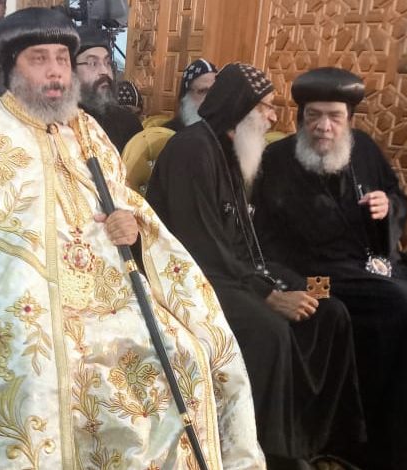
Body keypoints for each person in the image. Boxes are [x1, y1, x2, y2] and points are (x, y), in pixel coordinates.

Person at [0, 8, 265, 469]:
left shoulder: (87, 131)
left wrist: (131, 228)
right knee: (45, 371)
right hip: (20, 304)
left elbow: (128, 209)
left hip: (111, 297)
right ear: (10, 67)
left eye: (62, 58)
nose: (55, 71)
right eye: (39, 59)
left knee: (189, 350)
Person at [147, 62, 365, 469]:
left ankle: (323, 440)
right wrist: (269, 295)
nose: (274, 117)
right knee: (271, 330)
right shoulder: (192, 150)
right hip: (194, 277)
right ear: (240, 108)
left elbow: (247, 237)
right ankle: (275, 452)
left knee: (331, 307)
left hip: (245, 268)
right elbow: (202, 247)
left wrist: (283, 282)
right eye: (266, 107)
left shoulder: (236, 150)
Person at [253, 67, 407, 470]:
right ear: (300, 118)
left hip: (371, 265)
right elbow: (263, 240)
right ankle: (391, 443)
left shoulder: (364, 149)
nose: (324, 127)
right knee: (404, 307)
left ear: (349, 120)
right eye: (314, 116)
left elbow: (395, 196)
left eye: (334, 117)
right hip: (313, 276)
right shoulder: (277, 160)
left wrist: (388, 207)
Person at [74, 26, 142, 153]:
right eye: (93, 63)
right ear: (71, 71)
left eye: (107, 63)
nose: (104, 71)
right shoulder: (57, 125)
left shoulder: (128, 122)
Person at [164, 58, 217, 131]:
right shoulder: (167, 134)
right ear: (186, 96)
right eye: (202, 91)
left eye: (215, 90)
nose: (210, 98)